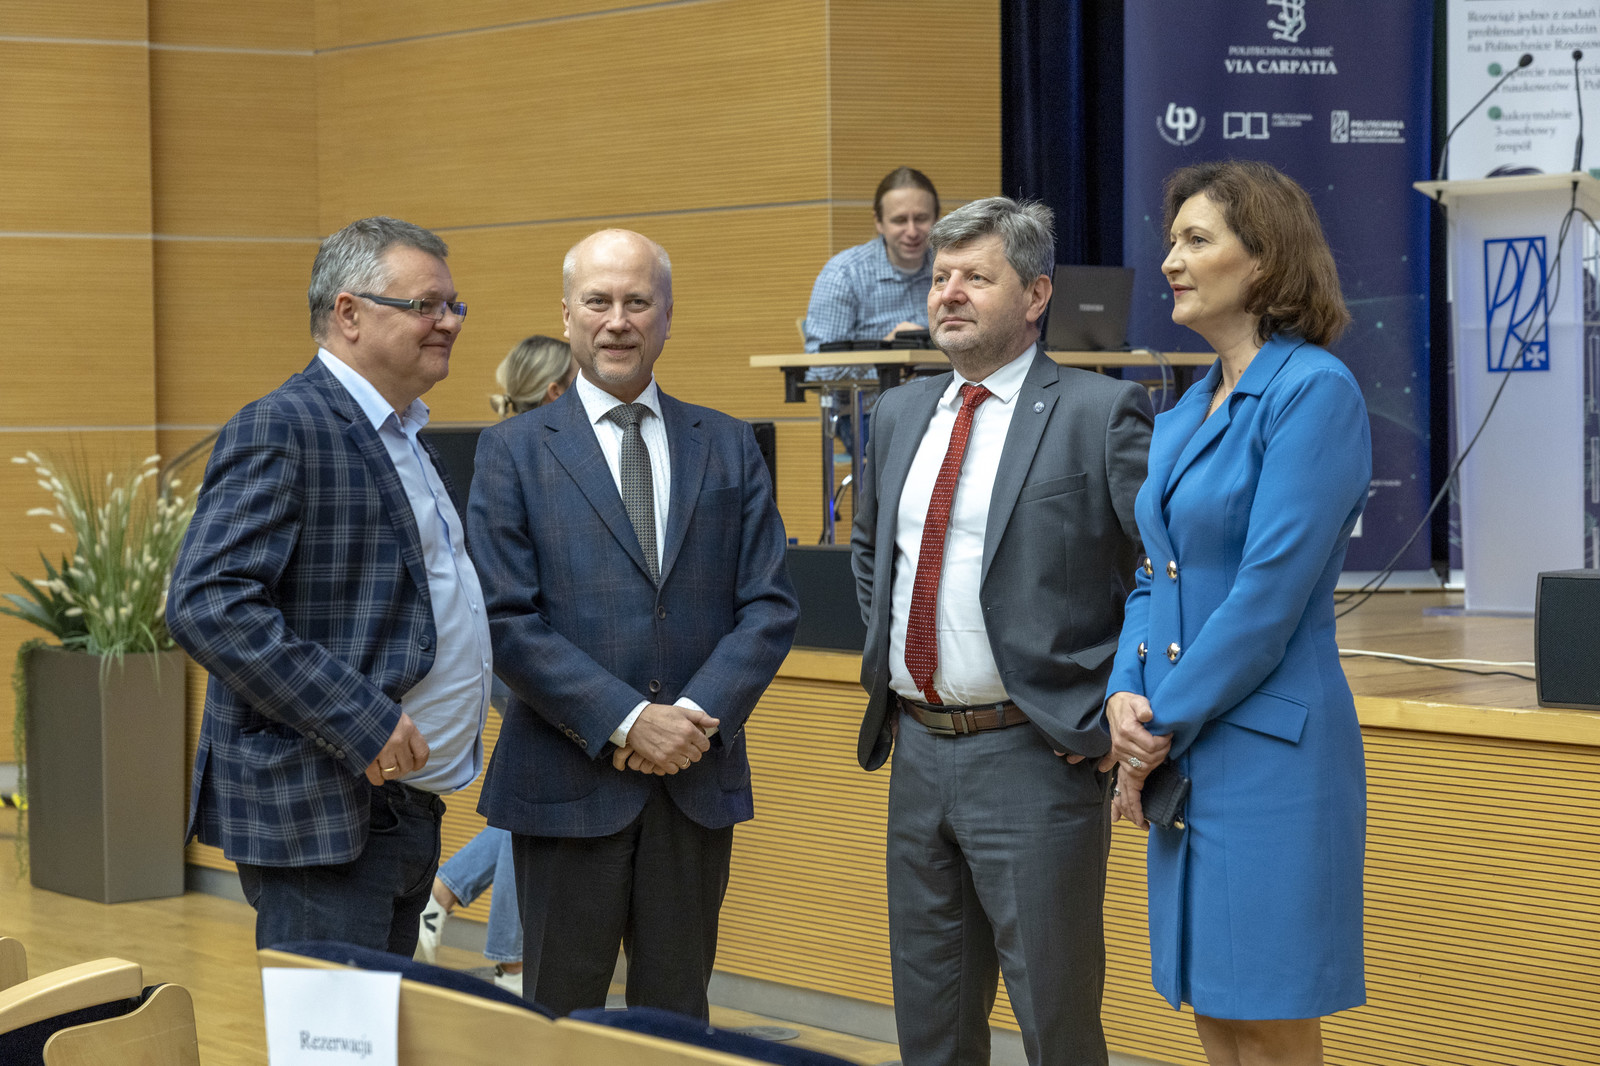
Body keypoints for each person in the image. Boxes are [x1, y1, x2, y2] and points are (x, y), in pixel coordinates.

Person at [851, 197, 1153, 1066]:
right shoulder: (901, 413)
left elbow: (1161, 571)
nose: (948, 293)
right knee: (932, 1025)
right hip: (916, 752)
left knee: (1055, 1022)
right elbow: (874, 553)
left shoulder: (1101, 411)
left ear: (1036, 295)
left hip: (1036, 755)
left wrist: (1110, 699)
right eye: (940, 277)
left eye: (975, 277)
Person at [467, 228, 799, 1016]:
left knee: (676, 1022)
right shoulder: (511, 452)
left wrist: (688, 720)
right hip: (565, 785)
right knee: (559, 1025)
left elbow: (769, 604)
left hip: (694, 780)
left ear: (668, 316)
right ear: (568, 315)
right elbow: (505, 617)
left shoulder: (727, 444)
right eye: (598, 301)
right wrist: (627, 720)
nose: (617, 320)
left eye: (637, 302)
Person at [1103, 160, 1370, 1066]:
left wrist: (1153, 729)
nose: (1170, 260)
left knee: (1268, 1015)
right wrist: (1123, 694)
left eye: (1196, 239)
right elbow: (1152, 575)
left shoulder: (1314, 391)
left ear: (1263, 259)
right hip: (1183, 746)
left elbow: (1266, 599)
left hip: (1269, 754)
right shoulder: (1184, 411)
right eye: (1171, 240)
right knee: (1215, 1008)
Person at [168, 216, 491, 954]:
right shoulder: (284, 426)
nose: (448, 322)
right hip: (322, 813)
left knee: (383, 1022)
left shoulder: (408, 436)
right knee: (333, 1026)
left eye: (454, 306)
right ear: (349, 313)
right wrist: (362, 720)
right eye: (426, 305)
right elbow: (209, 602)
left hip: (403, 811)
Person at [416, 334, 576, 993]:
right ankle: (511, 962)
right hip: (535, 654)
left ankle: (444, 897)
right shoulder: (541, 455)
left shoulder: (500, 449)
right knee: (535, 801)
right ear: (556, 391)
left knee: (536, 799)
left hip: (506, 650)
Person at [804, 166, 940, 362]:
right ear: (879, 222)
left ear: (936, 218)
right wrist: (885, 352)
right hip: (874, 383)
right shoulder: (844, 274)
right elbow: (819, 368)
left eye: (921, 219)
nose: (912, 232)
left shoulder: (952, 268)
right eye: (899, 220)